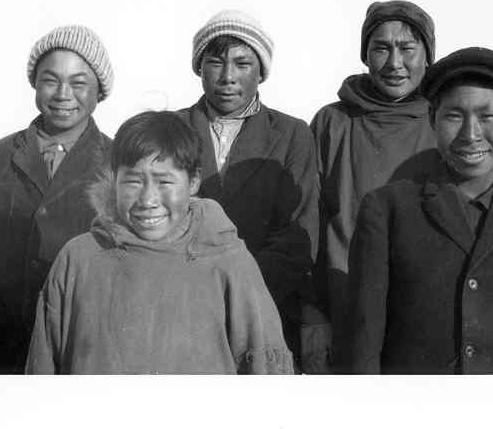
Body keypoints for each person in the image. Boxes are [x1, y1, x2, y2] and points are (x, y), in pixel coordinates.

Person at [345, 47, 493, 374]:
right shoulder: (386, 211)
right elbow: (362, 345)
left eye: (487, 116)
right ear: (432, 118)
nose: (471, 135)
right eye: (454, 116)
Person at [26, 111, 293, 374]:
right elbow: (43, 368)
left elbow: (265, 374)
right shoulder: (78, 259)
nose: (147, 200)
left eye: (165, 181)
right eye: (132, 181)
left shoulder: (228, 261)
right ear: (114, 180)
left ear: (194, 182)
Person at [0, 25, 114, 373]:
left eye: (79, 83)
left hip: (77, 354)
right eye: (51, 80)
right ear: (34, 83)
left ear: (99, 92)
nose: (64, 94)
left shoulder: (119, 163)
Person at [177, 10, 320, 370]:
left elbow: (299, 230)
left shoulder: (291, 134)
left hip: (264, 310)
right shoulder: (171, 129)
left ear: (261, 73)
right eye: (215, 62)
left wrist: (239, 292)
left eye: (242, 63)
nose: (227, 77)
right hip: (181, 307)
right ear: (199, 68)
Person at [310, 0, 438, 371]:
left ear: (428, 56)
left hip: (423, 310)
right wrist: (313, 314)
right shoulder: (333, 123)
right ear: (365, 55)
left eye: (408, 49)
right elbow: (308, 224)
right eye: (381, 48)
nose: (395, 64)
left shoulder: (444, 121)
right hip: (344, 303)